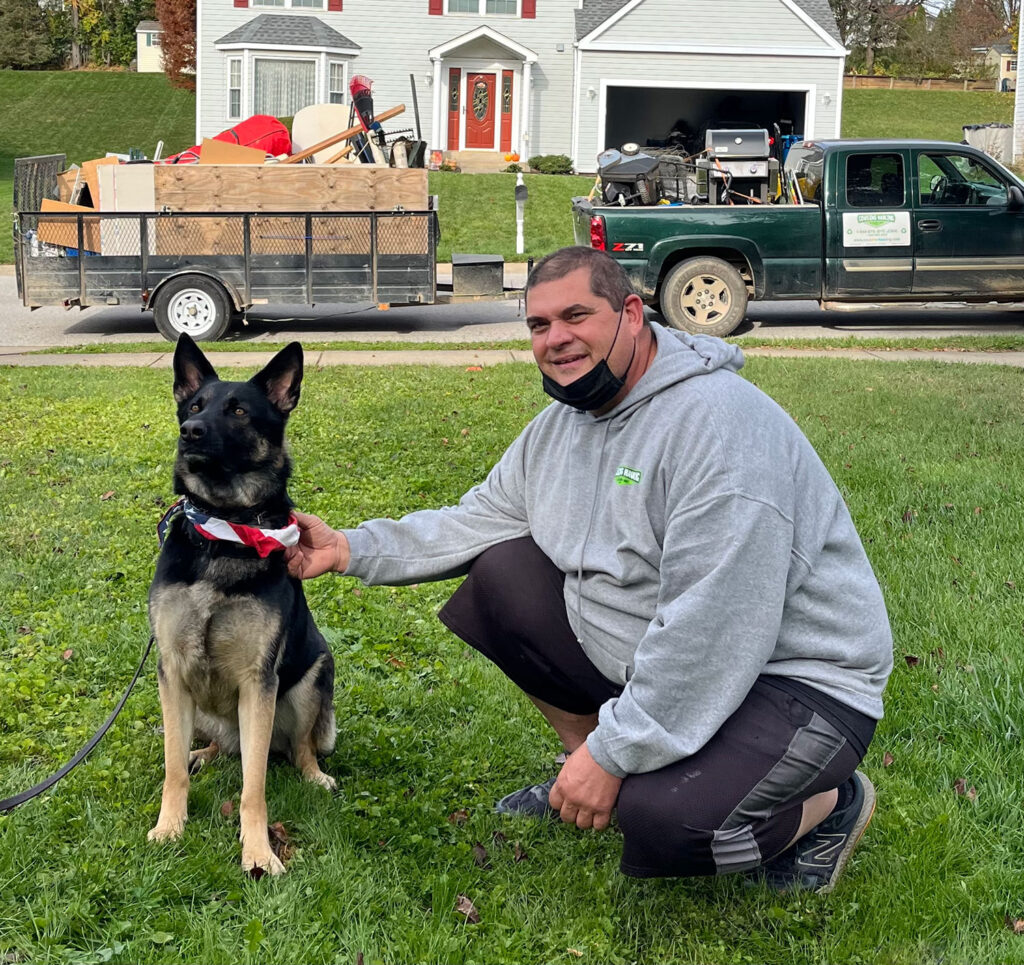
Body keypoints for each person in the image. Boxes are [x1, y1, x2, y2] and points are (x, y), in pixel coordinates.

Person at [285, 246, 893, 892]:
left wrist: (615, 754)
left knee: (662, 821)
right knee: (501, 576)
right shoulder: (560, 425)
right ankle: (588, 767)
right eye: (539, 325)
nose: (556, 339)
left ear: (631, 314)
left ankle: (829, 805)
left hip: (798, 682)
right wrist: (349, 548)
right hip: (673, 657)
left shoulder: (719, 429)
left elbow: (713, 629)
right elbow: (478, 519)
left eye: (577, 315)